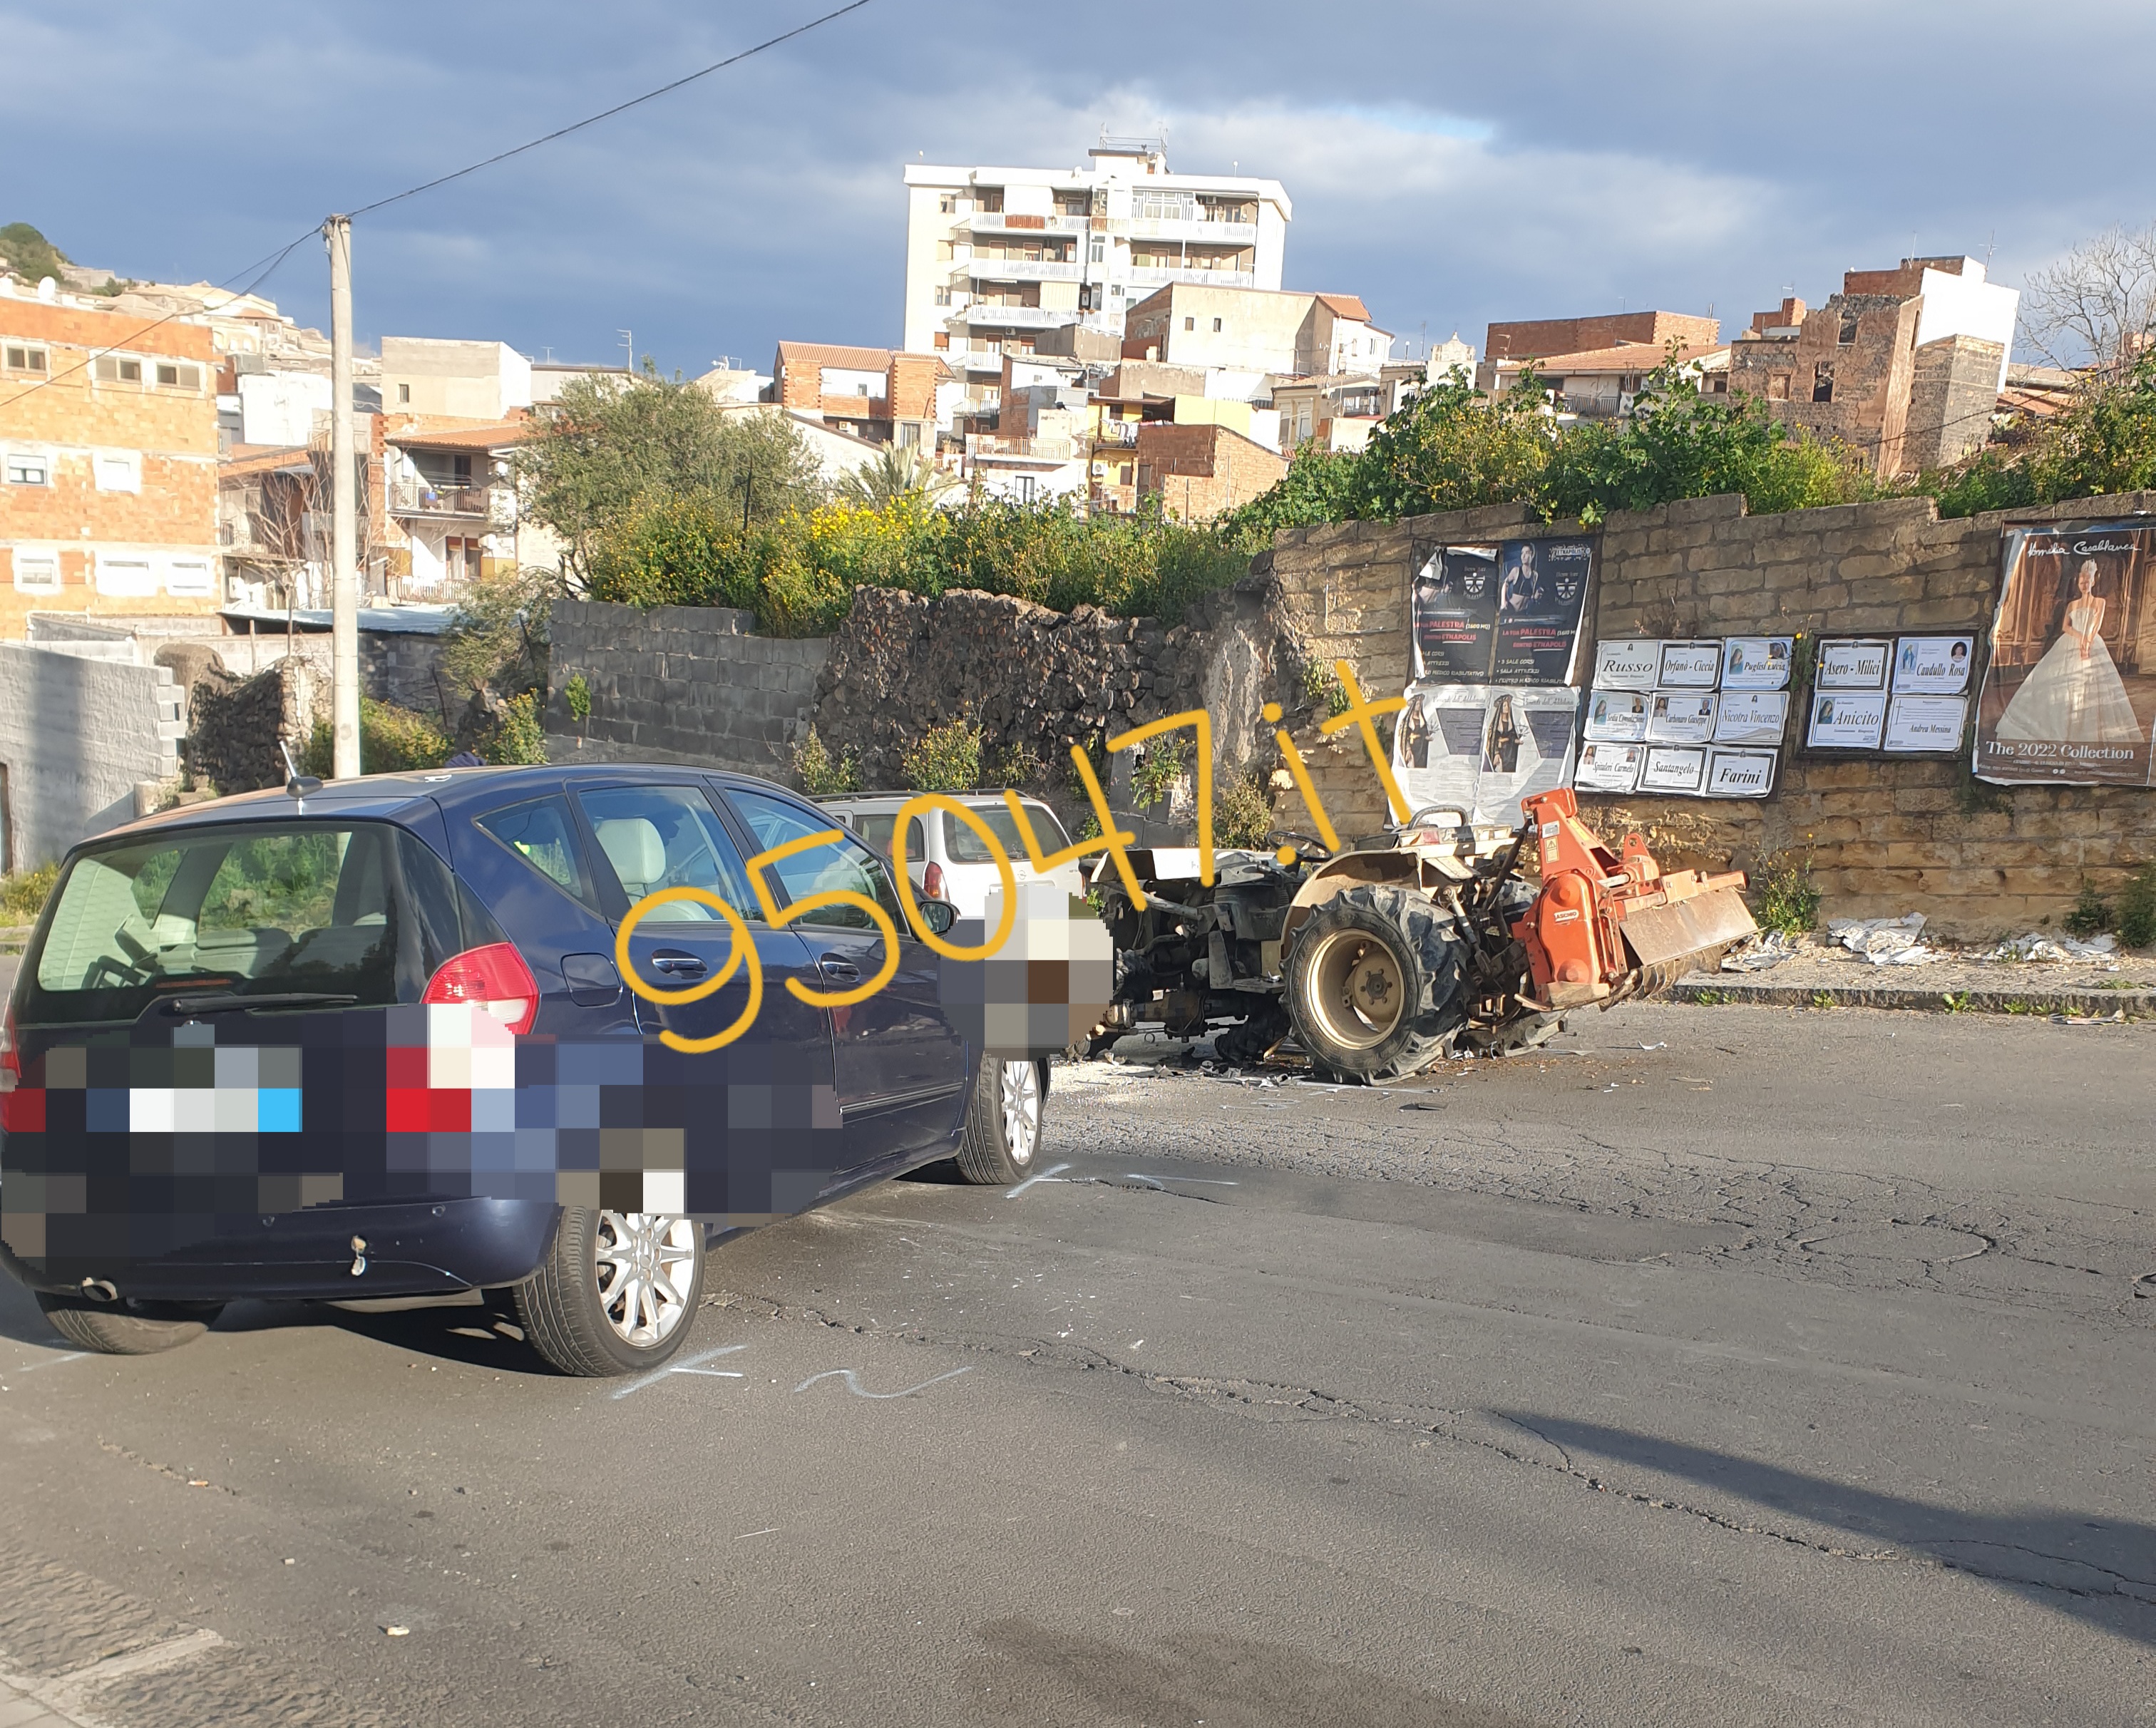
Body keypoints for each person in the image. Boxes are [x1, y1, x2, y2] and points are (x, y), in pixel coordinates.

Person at [1995, 560, 2142, 744]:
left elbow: (2096, 626)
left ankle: (2081, 727)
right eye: (2082, 581)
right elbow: (2065, 627)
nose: (2085, 584)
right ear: (2078, 582)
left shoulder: (2100, 602)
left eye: (2088, 581)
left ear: (2093, 582)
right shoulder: (2072, 605)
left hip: (2091, 642)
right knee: (2057, 682)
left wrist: (2086, 643)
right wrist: (2079, 636)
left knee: (2088, 683)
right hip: (2070, 641)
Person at [1482, 694, 1521, 774]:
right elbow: (1493, 738)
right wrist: (1496, 752)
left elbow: (1512, 735)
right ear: (1500, 708)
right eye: (1504, 706)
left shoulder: (1511, 722)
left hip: (1510, 752)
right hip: (1500, 752)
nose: (1507, 708)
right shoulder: (1496, 725)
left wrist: (1515, 740)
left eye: (1508, 706)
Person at [1400, 693, 1432, 768]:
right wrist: (1408, 749)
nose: (1419, 706)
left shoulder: (1422, 718)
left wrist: (1426, 737)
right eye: (1417, 704)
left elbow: (1424, 731)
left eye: (1420, 704)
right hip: (1412, 746)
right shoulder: (1408, 720)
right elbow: (1405, 735)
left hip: (1421, 746)